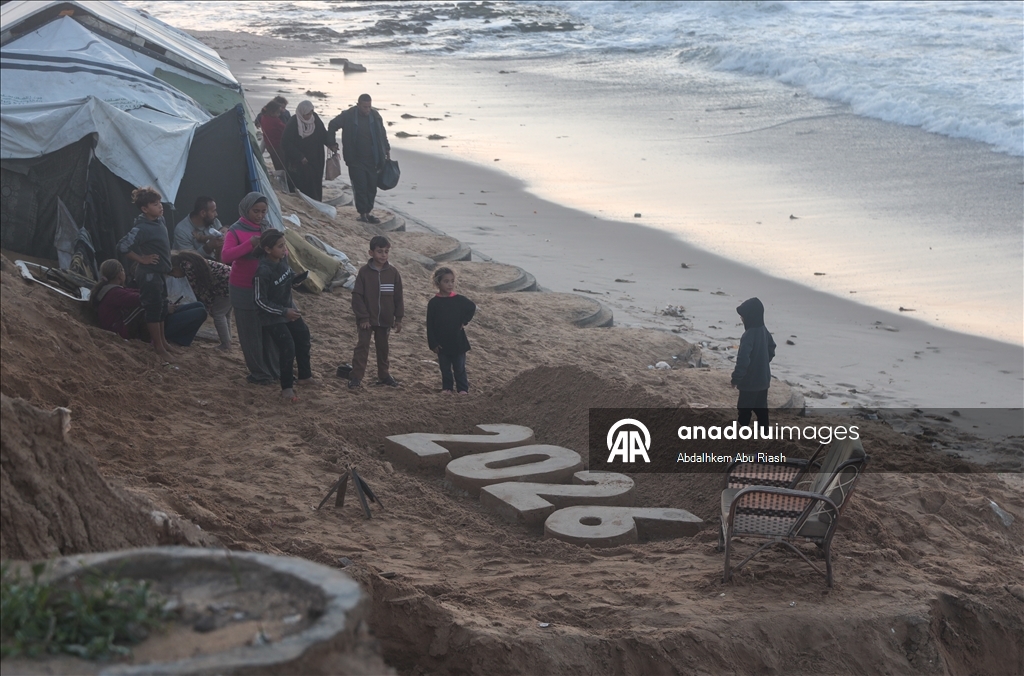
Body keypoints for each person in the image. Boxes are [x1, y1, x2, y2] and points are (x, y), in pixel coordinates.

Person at [220, 192, 280, 384]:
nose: (260, 215)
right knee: (250, 334)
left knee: (269, 332)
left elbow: (282, 250)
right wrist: (249, 244)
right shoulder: (235, 230)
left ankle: (274, 370)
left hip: (266, 288)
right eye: (256, 211)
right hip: (244, 288)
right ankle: (260, 373)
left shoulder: (268, 228)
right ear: (246, 210)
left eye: (263, 211)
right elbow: (226, 256)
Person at [92, 259, 208, 348]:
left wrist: (161, 300)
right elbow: (144, 299)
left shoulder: (112, 290)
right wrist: (165, 307)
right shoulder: (114, 293)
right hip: (128, 330)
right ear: (120, 274)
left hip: (131, 325)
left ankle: (180, 339)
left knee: (199, 306)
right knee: (200, 312)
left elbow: (137, 293)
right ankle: (173, 339)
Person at [117, 186, 174, 361]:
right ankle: (158, 346)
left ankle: (163, 342)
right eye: (155, 204)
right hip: (149, 274)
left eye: (159, 203)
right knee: (153, 309)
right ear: (144, 209)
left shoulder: (160, 220)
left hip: (160, 272)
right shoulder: (141, 228)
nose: (160, 206)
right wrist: (141, 259)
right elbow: (122, 246)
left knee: (162, 307)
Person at [254, 230, 312, 402]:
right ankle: (287, 387)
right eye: (280, 246)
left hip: (288, 309)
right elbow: (259, 301)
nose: (284, 249)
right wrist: (283, 312)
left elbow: (288, 274)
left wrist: (295, 279)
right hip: (272, 316)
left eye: (284, 245)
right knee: (287, 346)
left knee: (303, 335)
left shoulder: (282, 259)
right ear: (267, 249)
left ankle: (305, 376)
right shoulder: (263, 271)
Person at [348, 235, 403, 389]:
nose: (383, 255)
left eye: (386, 251)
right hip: (367, 320)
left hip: (385, 319)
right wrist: (363, 317)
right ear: (371, 253)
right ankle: (356, 377)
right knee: (362, 347)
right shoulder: (364, 272)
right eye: (380, 251)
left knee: (383, 348)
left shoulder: (393, 273)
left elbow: (398, 297)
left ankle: (384, 375)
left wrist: (398, 318)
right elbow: (357, 296)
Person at [328, 94, 391, 223]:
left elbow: (382, 133)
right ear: (358, 105)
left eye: (369, 107)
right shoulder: (348, 115)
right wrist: (332, 143)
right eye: (364, 107)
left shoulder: (375, 116)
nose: (367, 110)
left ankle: (368, 212)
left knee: (371, 187)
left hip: (373, 159)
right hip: (355, 159)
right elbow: (332, 125)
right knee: (360, 187)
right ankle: (362, 213)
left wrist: (386, 149)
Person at [170, 250, 232, 351]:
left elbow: (200, 291)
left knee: (218, 314)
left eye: (172, 274)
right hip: (231, 280)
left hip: (225, 284)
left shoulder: (188, 267)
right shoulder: (190, 262)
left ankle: (226, 344)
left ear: (175, 268)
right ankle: (228, 340)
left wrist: (208, 307)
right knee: (225, 314)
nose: (175, 277)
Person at [426, 267, 476, 394]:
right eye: (446, 281)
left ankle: (462, 389)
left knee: (459, 368)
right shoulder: (433, 303)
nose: (450, 284)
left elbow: (472, 307)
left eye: (452, 281)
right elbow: (430, 324)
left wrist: (464, 321)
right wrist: (433, 343)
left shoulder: (459, 299)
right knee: (445, 368)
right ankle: (447, 387)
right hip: (441, 342)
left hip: (458, 341)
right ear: (438, 283)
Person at [731, 297, 776, 431]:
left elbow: (743, 360)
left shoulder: (748, 335)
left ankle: (743, 431)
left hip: (749, 382)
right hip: (763, 379)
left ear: (750, 317)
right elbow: (772, 348)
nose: (741, 319)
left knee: (744, 409)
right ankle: (764, 431)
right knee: (761, 409)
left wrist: (736, 378)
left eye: (743, 316)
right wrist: (763, 362)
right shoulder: (764, 330)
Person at [281, 100, 337, 202]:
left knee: (315, 182)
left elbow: (323, 134)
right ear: (301, 113)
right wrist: (300, 156)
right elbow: (286, 143)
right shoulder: (293, 123)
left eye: (311, 113)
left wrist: (331, 144)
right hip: (299, 162)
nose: (309, 116)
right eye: (307, 114)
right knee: (302, 183)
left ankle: (316, 201)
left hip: (316, 159)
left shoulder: (315, 119)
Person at [258, 100, 287, 172]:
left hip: (269, 145)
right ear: (271, 112)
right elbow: (285, 129)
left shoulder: (263, 117)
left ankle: (279, 174)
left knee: (276, 163)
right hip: (277, 146)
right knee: (282, 164)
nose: (279, 114)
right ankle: (282, 176)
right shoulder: (275, 121)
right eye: (278, 112)